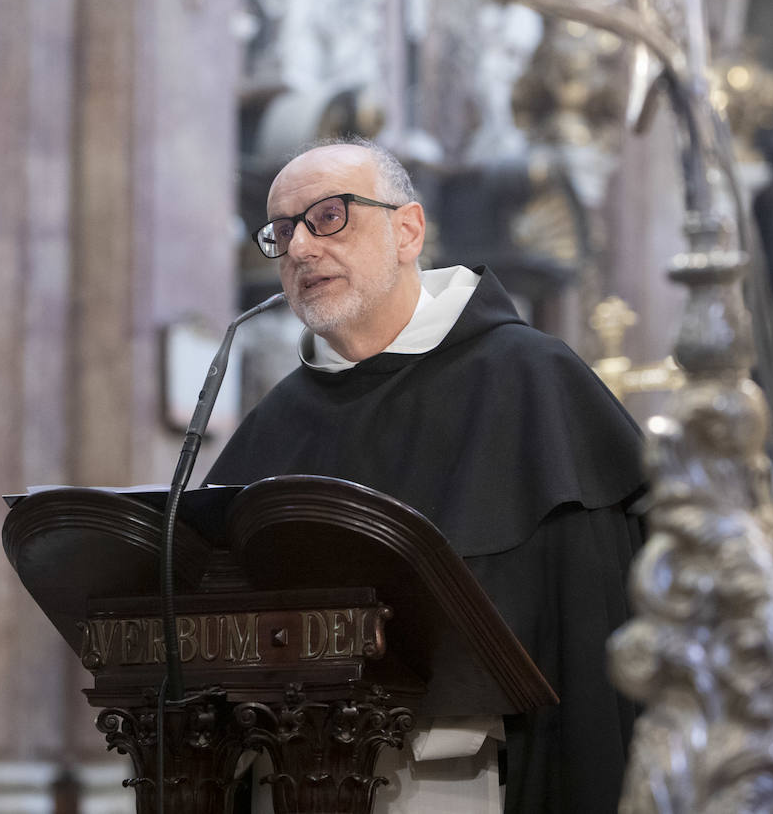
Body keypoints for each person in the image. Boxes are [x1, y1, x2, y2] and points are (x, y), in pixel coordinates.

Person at [206, 140, 646, 814]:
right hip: (292, 780)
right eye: (283, 230)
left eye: (329, 216)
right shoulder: (280, 420)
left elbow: (590, 636)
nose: (299, 250)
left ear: (408, 230)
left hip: (463, 782)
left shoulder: (529, 381)